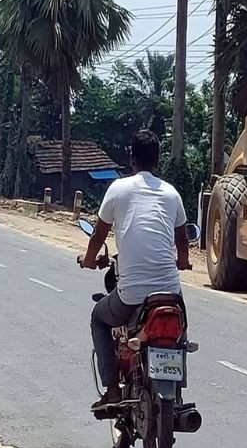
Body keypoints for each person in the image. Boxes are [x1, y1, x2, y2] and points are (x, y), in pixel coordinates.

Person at [79, 129, 190, 413]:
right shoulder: (172, 194)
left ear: (132, 160)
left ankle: (113, 390)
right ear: (157, 162)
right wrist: (182, 262)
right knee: (180, 331)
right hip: (170, 292)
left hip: (131, 295)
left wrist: (89, 259)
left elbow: (99, 234)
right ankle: (176, 393)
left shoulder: (117, 189)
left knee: (98, 318)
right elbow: (182, 241)